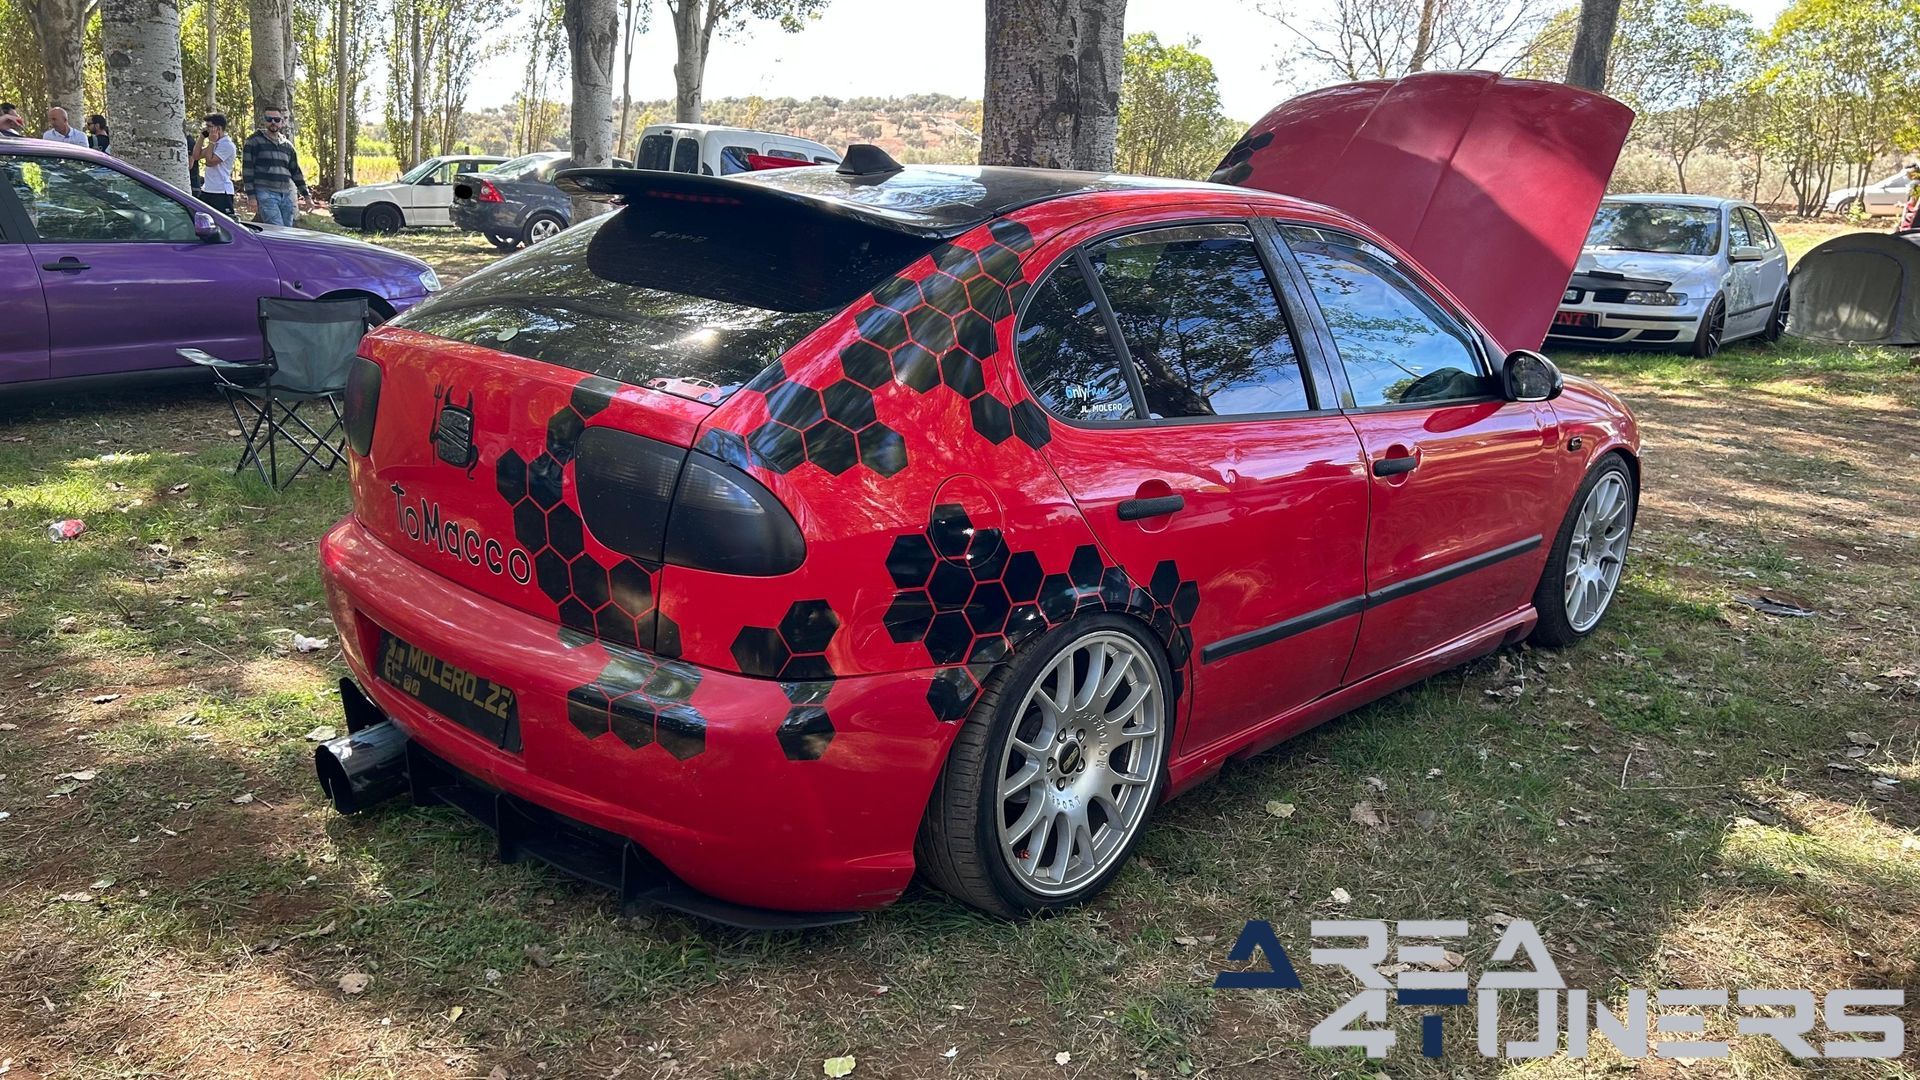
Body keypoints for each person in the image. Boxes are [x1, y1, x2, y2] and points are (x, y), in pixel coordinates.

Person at [242, 107, 309, 226]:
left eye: (277, 119)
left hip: (286, 194)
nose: (273, 122)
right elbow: (247, 171)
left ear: (282, 122)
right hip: (265, 193)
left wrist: (306, 196)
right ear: (264, 121)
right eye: (269, 119)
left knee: (287, 231)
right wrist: (251, 197)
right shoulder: (253, 142)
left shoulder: (288, 146)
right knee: (277, 229)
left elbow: (296, 172)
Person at [192, 113, 237, 215]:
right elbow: (196, 156)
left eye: (209, 127)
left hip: (221, 191)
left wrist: (211, 142)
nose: (207, 129)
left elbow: (210, 162)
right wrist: (201, 138)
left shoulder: (227, 145)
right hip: (208, 189)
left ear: (218, 128)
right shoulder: (216, 143)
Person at [1897, 161, 1920, 234]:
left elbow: (1915, 206)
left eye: (1908, 174)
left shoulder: (1916, 185)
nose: (1907, 176)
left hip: (1913, 221)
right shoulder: (1914, 185)